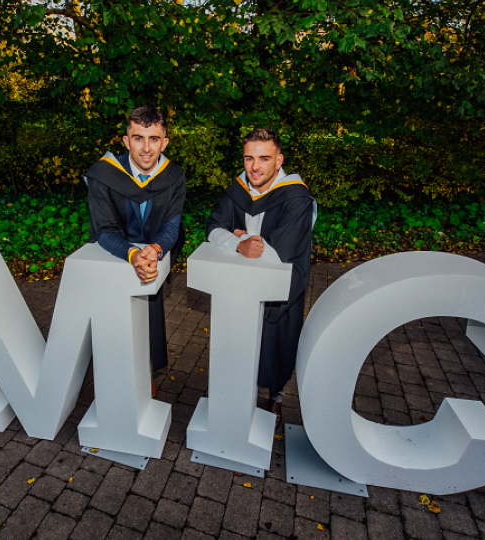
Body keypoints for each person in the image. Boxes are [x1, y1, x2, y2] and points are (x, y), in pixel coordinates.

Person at [206, 129, 317, 427]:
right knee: (239, 345)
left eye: (264, 158)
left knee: (276, 346)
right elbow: (214, 228)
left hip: (279, 290)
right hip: (240, 286)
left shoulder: (297, 198)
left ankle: (275, 397)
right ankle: (237, 394)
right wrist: (238, 242)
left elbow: (278, 253)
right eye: (249, 158)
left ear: (278, 160)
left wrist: (242, 233)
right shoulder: (239, 189)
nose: (255, 167)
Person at [84, 106, 186, 390]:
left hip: (152, 256)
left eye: (154, 139)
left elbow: (171, 226)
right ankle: (111, 373)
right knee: (112, 314)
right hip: (114, 253)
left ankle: (146, 371)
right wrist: (132, 254)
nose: (146, 148)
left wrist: (154, 249)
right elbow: (104, 229)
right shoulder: (104, 174)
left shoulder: (173, 177)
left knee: (148, 310)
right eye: (138, 138)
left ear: (164, 142)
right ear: (125, 140)